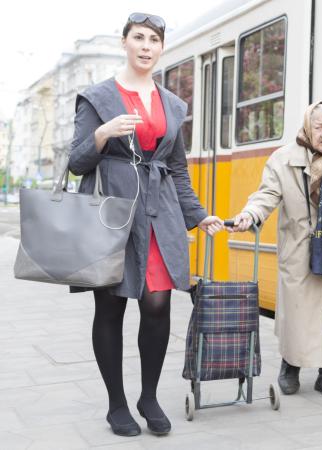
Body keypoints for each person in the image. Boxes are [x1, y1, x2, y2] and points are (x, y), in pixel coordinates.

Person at [67, 13, 223, 437]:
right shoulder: (97, 97)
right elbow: (76, 160)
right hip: (112, 214)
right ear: (125, 43)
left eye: (154, 40)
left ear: (160, 48)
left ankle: (148, 396)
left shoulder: (172, 104)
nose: (146, 46)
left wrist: (197, 214)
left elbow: (177, 167)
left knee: (157, 305)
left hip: (160, 213)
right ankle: (117, 404)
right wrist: (102, 133)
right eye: (138, 37)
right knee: (111, 306)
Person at [229, 101, 322, 397]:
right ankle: (289, 368)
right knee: (298, 312)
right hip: (299, 248)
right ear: (308, 127)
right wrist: (250, 215)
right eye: (319, 127)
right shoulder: (283, 159)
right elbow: (266, 194)